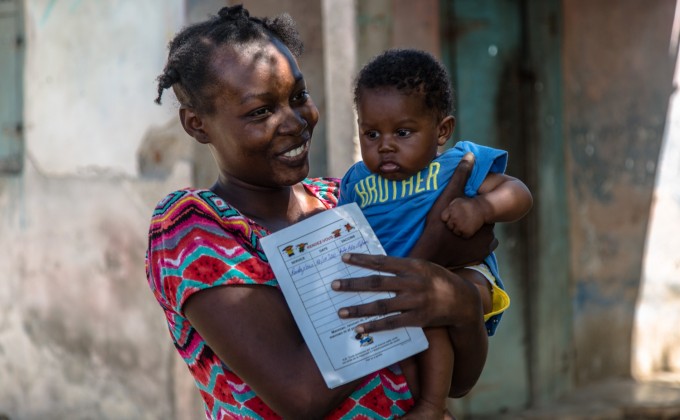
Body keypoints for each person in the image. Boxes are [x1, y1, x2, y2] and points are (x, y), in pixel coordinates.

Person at [147, 5, 500, 419]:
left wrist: (460, 302)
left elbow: (458, 382)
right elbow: (302, 395)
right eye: (261, 111)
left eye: (299, 96)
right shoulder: (193, 227)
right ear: (197, 124)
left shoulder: (347, 202)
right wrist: (429, 254)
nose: (295, 121)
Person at [337, 48, 533, 419]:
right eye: (371, 133)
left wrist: (482, 208)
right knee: (402, 336)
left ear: (442, 130)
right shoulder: (356, 182)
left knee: (434, 317)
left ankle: (432, 406)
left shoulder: (454, 165)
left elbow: (518, 193)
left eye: (403, 132)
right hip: (398, 282)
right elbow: (345, 232)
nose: (386, 145)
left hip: (458, 276)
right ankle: (419, 401)